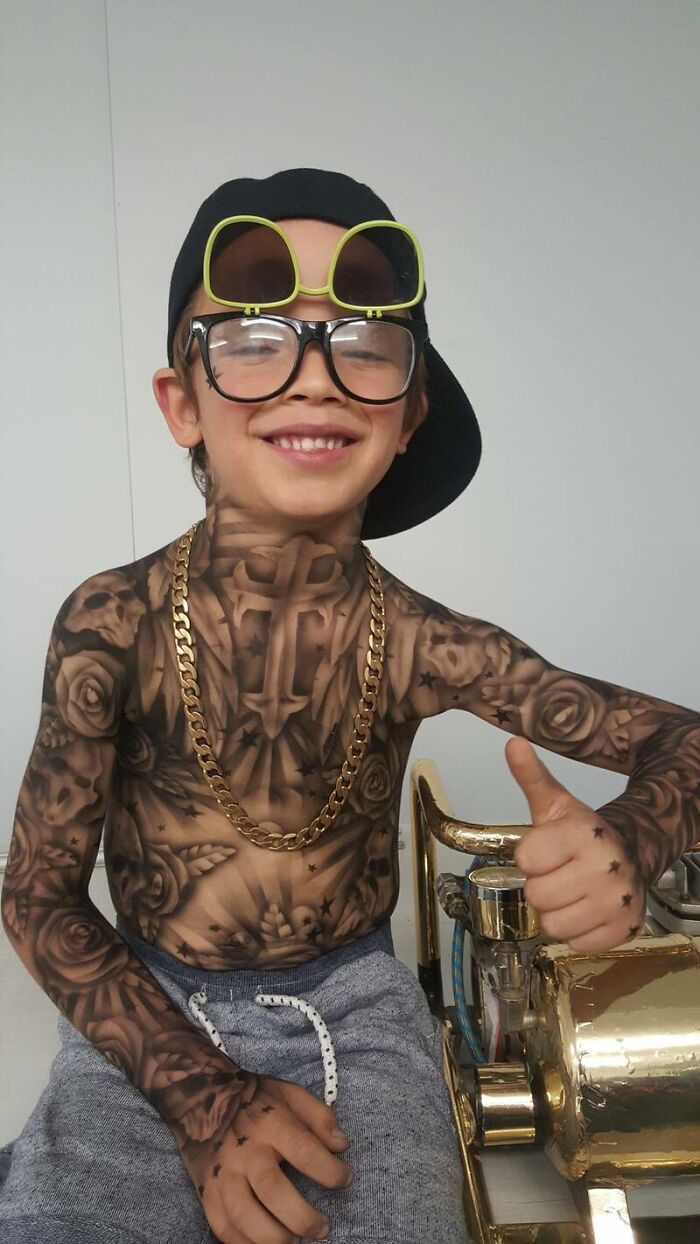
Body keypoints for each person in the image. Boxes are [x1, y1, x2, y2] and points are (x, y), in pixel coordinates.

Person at [1, 166, 699, 1244]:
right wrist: (201, 1096)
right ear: (181, 402)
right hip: (140, 1013)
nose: (315, 377)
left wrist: (633, 839)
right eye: (252, 337)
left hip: (358, 1010)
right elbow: (36, 893)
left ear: (408, 412)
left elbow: (684, 742)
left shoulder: (422, 641)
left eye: (365, 342)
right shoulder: (114, 623)